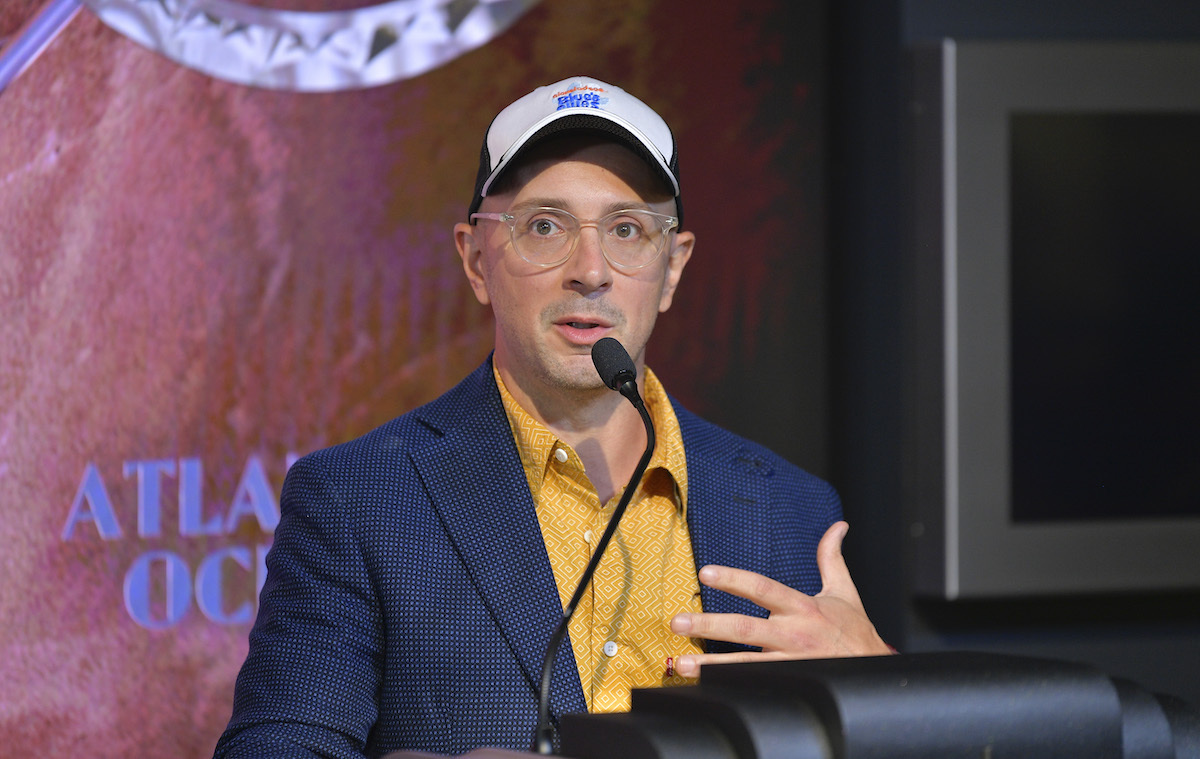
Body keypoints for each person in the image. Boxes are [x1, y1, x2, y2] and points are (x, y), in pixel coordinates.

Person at [213, 76, 890, 759]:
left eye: (627, 229)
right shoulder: (359, 499)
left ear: (674, 266)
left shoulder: (790, 507)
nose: (589, 270)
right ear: (476, 258)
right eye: (544, 225)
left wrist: (880, 690)